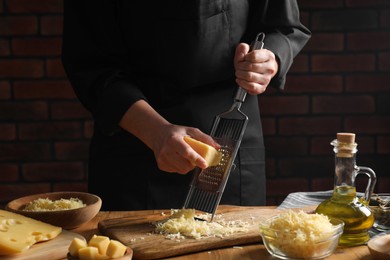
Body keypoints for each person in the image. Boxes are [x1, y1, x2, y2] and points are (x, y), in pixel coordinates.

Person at [61, 1, 311, 211]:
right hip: (135, 149)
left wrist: (270, 58)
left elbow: (283, 27)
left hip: (232, 147)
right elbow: (91, 64)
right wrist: (156, 133)